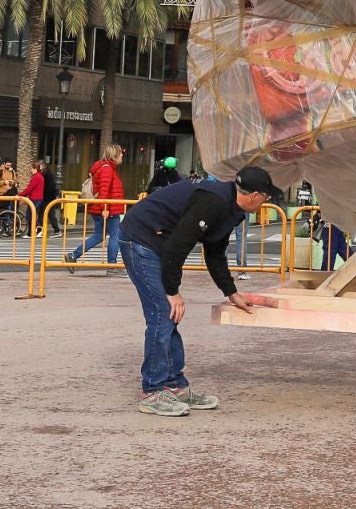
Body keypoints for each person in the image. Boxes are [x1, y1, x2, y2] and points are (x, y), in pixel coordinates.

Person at [116, 165, 281, 416]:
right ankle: (152, 391)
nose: (265, 203)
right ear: (255, 195)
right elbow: (177, 246)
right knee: (162, 312)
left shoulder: (232, 208)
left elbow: (215, 252)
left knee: (168, 316)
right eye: (266, 198)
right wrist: (173, 291)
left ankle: (174, 386)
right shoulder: (213, 202)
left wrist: (231, 292)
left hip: (159, 241)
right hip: (141, 239)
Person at [67, 144, 127, 264]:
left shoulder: (105, 168)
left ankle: (74, 255)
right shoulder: (107, 170)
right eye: (120, 153)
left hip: (101, 209)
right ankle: (112, 265)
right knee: (115, 236)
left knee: (99, 235)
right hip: (108, 209)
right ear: (114, 155)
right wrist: (105, 208)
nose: (122, 155)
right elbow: (104, 191)